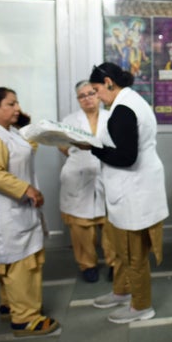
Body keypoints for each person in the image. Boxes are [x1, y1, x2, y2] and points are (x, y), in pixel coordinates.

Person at [81, 62, 169, 324]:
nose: (96, 96)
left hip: (134, 192)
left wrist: (93, 147)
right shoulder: (130, 101)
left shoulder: (123, 109)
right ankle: (121, 291)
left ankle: (141, 306)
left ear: (109, 82)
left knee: (133, 253)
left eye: (96, 90)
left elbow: (126, 157)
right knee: (119, 248)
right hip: (131, 189)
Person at [0, 87, 60, 337]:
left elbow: (25, 149)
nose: (17, 108)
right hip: (7, 212)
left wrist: (26, 125)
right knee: (22, 266)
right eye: (10, 104)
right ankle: (25, 319)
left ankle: (10, 304)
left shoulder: (7, 133)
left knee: (10, 264)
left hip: (12, 211)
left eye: (17, 103)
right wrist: (27, 190)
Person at [58, 80, 115, 283]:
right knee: (81, 227)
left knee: (110, 224)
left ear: (98, 94)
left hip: (106, 175)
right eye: (82, 96)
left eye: (91, 93)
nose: (87, 98)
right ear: (78, 100)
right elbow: (63, 146)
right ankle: (87, 264)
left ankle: (114, 264)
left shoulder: (112, 117)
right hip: (78, 175)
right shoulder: (70, 120)